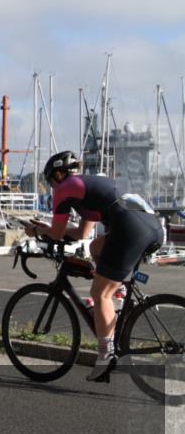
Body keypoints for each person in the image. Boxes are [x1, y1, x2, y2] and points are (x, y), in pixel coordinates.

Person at [25, 151, 164, 382]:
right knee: (95, 247)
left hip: (130, 229)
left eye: (50, 182)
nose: (52, 188)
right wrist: (48, 229)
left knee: (99, 293)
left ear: (57, 175)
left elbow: (57, 234)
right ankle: (118, 294)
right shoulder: (86, 186)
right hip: (152, 227)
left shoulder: (64, 188)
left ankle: (105, 356)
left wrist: (37, 230)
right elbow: (82, 233)